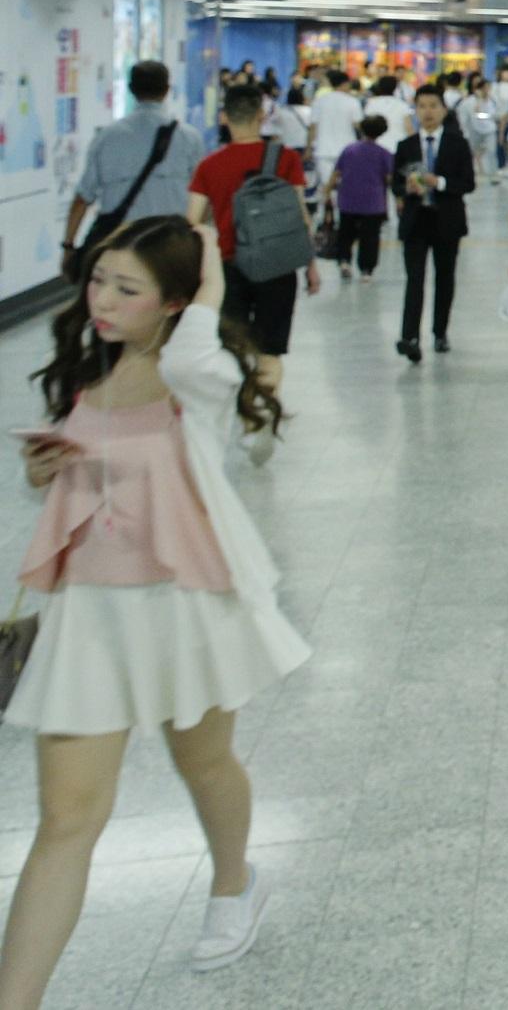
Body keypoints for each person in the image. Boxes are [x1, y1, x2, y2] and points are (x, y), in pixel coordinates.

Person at [0, 219, 307, 1004]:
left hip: (184, 608)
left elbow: (198, 355)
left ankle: (234, 883)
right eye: (98, 279)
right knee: (65, 820)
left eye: (127, 289)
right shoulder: (87, 371)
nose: (101, 300)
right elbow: (77, 495)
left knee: (201, 762)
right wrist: (46, 472)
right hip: (88, 619)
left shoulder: (190, 374)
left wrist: (206, 281)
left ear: (175, 301)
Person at [183, 86, 319, 403]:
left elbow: (192, 223)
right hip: (279, 263)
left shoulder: (209, 165)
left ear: (224, 118)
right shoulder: (285, 159)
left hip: (228, 267)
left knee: (234, 347)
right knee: (270, 350)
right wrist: (310, 264)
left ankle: (241, 409)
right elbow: (301, 215)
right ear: (262, 116)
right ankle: (261, 418)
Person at [63, 62, 190, 282]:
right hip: (172, 248)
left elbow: (82, 200)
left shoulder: (107, 137)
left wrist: (68, 246)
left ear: (131, 89)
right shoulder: (190, 138)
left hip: (121, 247)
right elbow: (202, 198)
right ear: (167, 89)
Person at [391, 84, 474, 362]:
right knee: (414, 279)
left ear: (443, 110)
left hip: (447, 220)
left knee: (444, 278)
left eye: (433, 106)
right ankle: (409, 336)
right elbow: (395, 183)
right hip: (416, 221)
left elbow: (468, 183)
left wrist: (438, 182)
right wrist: (406, 190)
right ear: (415, 110)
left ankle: (440, 332)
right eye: (422, 106)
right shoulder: (406, 146)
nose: (427, 112)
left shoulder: (457, 143)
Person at [323, 116, 393, 284]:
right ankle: (366, 270)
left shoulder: (349, 150)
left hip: (348, 199)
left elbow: (336, 173)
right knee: (370, 237)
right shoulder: (384, 153)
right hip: (373, 202)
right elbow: (390, 178)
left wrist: (326, 192)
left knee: (346, 233)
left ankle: (344, 261)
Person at [308, 67, 365, 189]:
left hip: (323, 149)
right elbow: (359, 126)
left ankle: (325, 207)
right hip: (347, 149)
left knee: (326, 186)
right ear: (345, 83)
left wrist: (308, 149)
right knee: (346, 186)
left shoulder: (319, 101)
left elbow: (313, 127)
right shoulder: (352, 102)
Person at [362, 74, 414, 150]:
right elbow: (409, 128)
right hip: (397, 146)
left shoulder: (371, 104)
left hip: (376, 146)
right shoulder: (402, 105)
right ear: (395, 87)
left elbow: (366, 128)